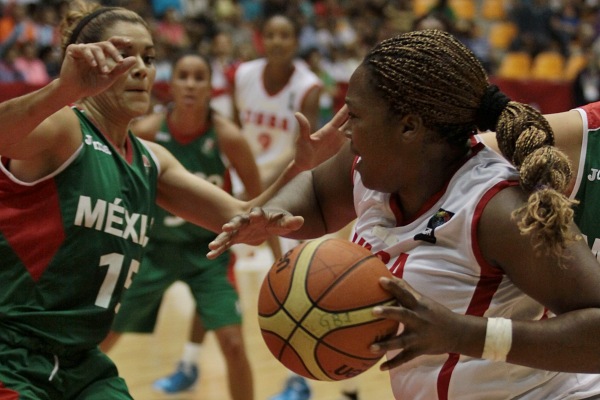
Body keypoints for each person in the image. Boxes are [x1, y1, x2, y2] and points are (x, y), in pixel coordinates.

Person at [208, 29, 600, 399]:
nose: (346, 132)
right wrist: (274, 211)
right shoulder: (369, 165)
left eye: (355, 116)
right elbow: (316, 193)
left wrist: (463, 334)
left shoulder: (501, 208)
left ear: (409, 127)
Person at [0, 2, 342, 399]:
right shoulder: (65, 129)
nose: (141, 69)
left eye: (148, 58)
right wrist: (63, 89)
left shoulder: (151, 160)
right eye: (124, 55)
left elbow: (239, 216)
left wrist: (299, 167)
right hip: (13, 354)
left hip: (82, 365)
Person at [99, 52, 261, 398]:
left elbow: (257, 197)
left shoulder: (228, 136)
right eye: (183, 76)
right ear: (170, 85)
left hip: (209, 254)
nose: (190, 84)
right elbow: (115, 188)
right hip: (153, 250)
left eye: (199, 77)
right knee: (103, 336)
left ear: (211, 88)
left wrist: (277, 253)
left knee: (234, 344)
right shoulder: (146, 132)